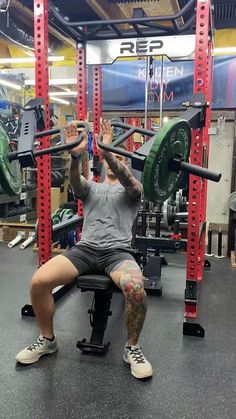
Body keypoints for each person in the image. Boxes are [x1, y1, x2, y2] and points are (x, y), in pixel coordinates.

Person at [15, 121, 153, 380]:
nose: (115, 163)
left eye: (120, 158)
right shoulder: (93, 187)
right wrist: (76, 156)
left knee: (135, 288)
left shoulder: (134, 190)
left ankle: (132, 348)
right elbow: (76, 183)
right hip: (86, 250)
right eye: (110, 158)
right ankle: (47, 340)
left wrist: (107, 151)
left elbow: (129, 182)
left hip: (118, 253)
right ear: (101, 164)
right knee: (38, 281)